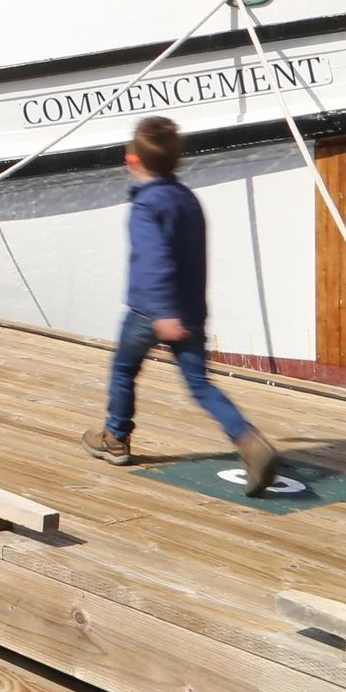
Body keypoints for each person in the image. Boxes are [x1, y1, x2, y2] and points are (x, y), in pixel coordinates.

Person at [82, 115, 282, 495]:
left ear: (132, 160)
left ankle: (116, 438)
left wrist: (162, 312)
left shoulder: (145, 205)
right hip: (191, 312)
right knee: (200, 386)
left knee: (124, 370)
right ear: (178, 160)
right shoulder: (188, 199)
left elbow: (155, 259)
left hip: (149, 312)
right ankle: (249, 442)